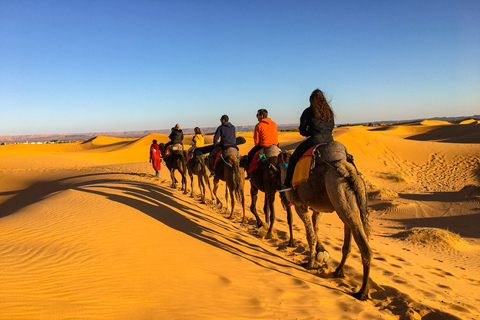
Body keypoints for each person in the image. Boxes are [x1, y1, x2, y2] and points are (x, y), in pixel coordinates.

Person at [278, 89, 335, 192]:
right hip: (330, 140)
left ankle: (287, 184)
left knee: (293, 159)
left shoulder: (308, 111)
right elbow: (331, 127)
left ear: (311, 100)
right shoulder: (329, 112)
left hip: (314, 140)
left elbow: (302, 130)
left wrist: (306, 132)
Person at [245, 109, 278, 180]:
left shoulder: (258, 125)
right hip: (275, 145)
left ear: (261, 116)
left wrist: (258, 144)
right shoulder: (274, 123)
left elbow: (256, 141)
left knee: (250, 154)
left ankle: (249, 174)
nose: (256, 117)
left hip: (264, 145)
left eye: (257, 115)